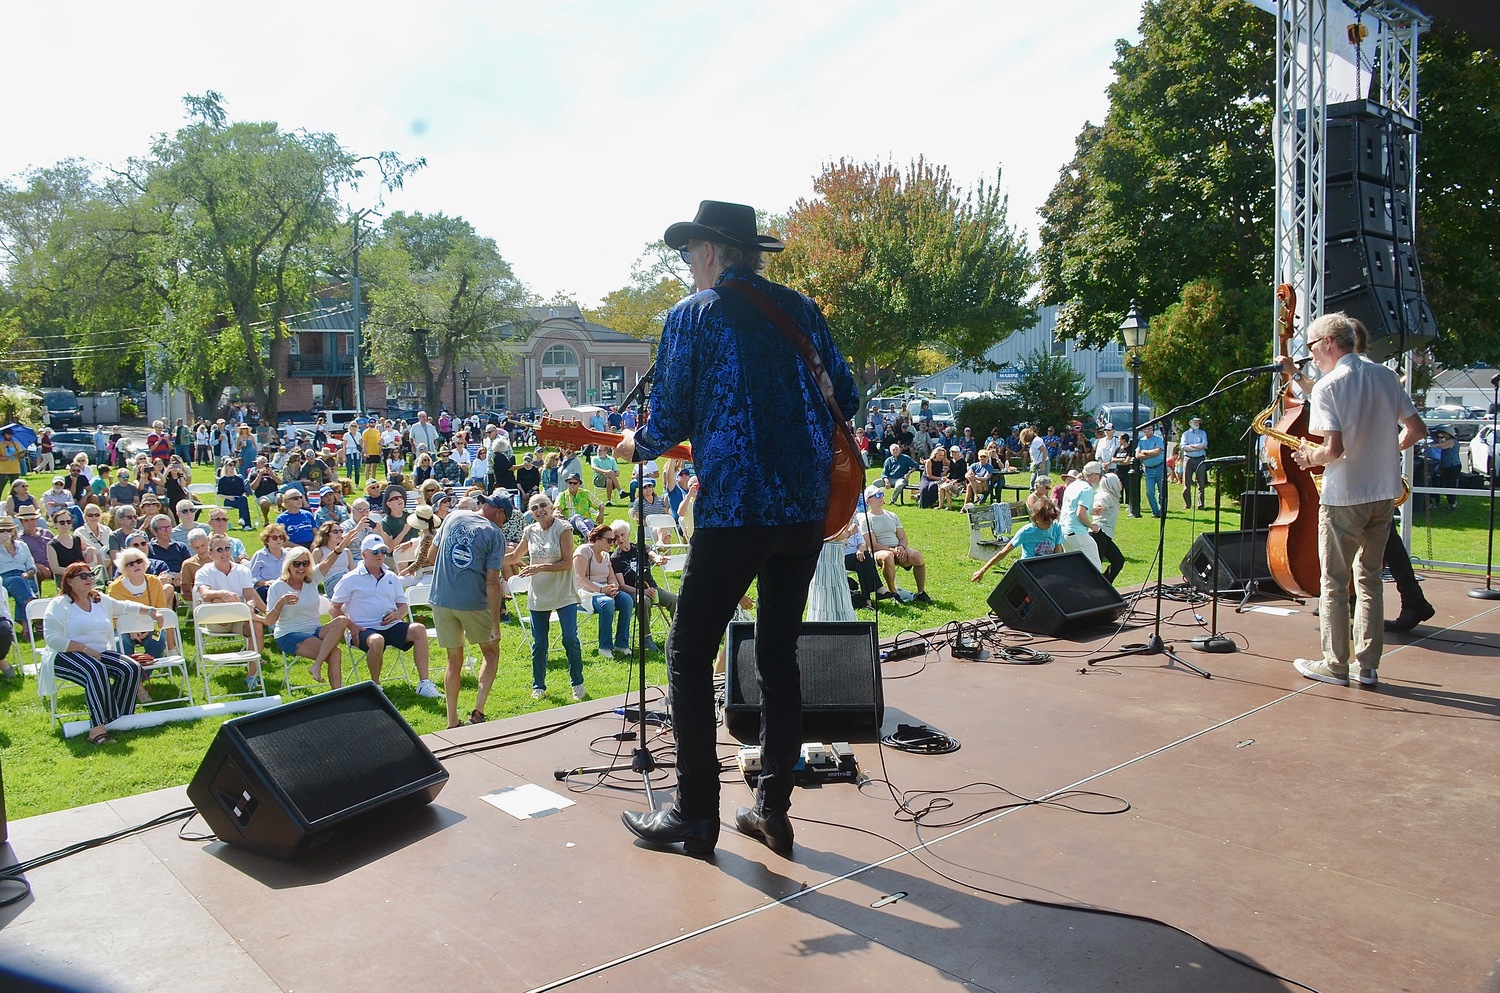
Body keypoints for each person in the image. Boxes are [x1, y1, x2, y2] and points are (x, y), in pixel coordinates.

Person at [615, 201, 858, 856]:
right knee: (778, 653)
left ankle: (696, 813)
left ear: (711, 253)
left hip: (737, 508)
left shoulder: (693, 317)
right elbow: (849, 395)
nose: (690, 266)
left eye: (691, 253)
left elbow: (664, 422)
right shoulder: (802, 311)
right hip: (806, 510)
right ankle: (771, 809)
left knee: (689, 652)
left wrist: (630, 446)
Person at [1281, 313, 1425, 687]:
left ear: (1329, 341)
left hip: (1345, 495)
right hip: (1383, 493)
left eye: (1311, 346)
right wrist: (1382, 452)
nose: (1310, 354)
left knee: (1333, 581)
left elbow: (1333, 449)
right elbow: (1416, 429)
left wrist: (1308, 457)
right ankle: (1369, 667)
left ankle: (1336, 665)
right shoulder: (1385, 375)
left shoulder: (1330, 385)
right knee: (1371, 579)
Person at [41, 563, 163, 745]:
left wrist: (152, 612)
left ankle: (118, 719)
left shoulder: (99, 599)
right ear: (70, 581)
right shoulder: (60, 604)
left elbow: (125, 606)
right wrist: (83, 648)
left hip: (98, 652)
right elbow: (51, 638)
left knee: (131, 667)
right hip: (64, 654)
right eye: (83, 576)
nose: (89, 579)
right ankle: (96, 730)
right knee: (96, 670)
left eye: (90, 575)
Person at [430, 490, 511, 728]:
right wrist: (496, 624)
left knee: (453, 660)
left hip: (441, 599)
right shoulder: (495, 534)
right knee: (491, 652)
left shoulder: (453, 516)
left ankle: (452, 720)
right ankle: (478, 710)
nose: (503, 524)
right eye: (504, 519)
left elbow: (432, 555)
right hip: (473, 603)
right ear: (499, 513)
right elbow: (492, 582)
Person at [329, 534, 440, 697]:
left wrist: (397, 614)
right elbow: (334, 608)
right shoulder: (350, 579)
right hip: (363, 629)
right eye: (375, 552)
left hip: (391, 625)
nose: (380, 555)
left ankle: (424, 683)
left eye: (383, 551)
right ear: (363, 554)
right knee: (376, 640)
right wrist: (352, 626)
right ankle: (376, 686)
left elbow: (403, 606)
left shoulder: (391, 576)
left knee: (419, 629)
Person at [508, 492, 583, 700]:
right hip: (539, 594)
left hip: (563, 591)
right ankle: (538, 685)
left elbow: (568, 562)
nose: (539, 510)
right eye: (534, 508)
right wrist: (487, 561)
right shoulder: (529, 530)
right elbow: (515, 557)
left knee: (570, 639)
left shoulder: (563, 528)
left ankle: (577, 682)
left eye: (542, 506)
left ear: (550, 507)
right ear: (530, 513)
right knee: (539, 643)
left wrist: (539, 567)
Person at [264, 545, 350, 687]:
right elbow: (268, 621)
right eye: (296, 564)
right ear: (288, 565)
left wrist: (342, 545)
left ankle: (317, 667)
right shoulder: (277, 587)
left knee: (342, 620)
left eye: (305, 563)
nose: (301, 568)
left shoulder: (311, 579)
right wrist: (280, 603)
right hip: (289, 633)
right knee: (335, 653)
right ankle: (337, 694)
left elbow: (328, 562)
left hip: (314, 629)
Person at [858, 486, 931, 602]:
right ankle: (894, 593)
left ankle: (921, 592)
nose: (881, 497)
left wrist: (901, 547)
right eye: (877, 495)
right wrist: (893, 550)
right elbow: (873, 545)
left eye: (881, 494)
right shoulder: (866, 520)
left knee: (916, 555)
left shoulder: (892, 515)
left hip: (897, 549)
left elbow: (903, 538)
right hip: (879, 552)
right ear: (868, 501)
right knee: (888, 556)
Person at [610, 519, 674, 648]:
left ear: (628, 534)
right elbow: (622, 586)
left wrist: (658, 558)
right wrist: (643, 592)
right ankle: (646, 638)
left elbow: (652, 555)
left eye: (622, 535)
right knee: (643, 601)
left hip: (651, 587)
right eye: (616, 537)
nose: (620, 539)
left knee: (674, 600)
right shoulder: (615, 558)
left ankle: (677, 634)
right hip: (632, 592)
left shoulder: (640, 547)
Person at [573, 523, 633, 660]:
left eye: (613, 540)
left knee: (627, 600)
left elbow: (611, 576)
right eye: (609, 540)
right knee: (607, 603)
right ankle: (605, 646)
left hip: (604, 591)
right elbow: (579, 578)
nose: (612, 543)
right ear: (598, 538)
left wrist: (613, 586)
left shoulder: (606, 555)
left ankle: (621, 644)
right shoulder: (583, 551)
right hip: (585, 593)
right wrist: (601, 589)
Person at [971, 493, 1063, 582]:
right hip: (1028, 570)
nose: (1050, 521)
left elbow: (1058, 554)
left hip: (1047, 570)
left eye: (1053, 516)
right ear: (1037, 518)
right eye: (1046, 518)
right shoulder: (1026, 531)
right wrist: (982, 570)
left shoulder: (1056, 527)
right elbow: (1003, 553)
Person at [107, 547, 174, 661]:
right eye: (130, 564)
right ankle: (129, 673)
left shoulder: (155, 582)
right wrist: (130, 628)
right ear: (124, 568)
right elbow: (112, 617)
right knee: (121, 644)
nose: (136, 565)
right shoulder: (115, 588)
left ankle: (143, 676)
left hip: (150, 626)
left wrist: (147, 627)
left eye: (139, 561)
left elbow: (160, 610)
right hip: (124, 629)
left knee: (159, 640)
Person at [1058, 461, 1105, 571]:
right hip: (1077, 533)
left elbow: (1072, 509)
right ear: (1093, 475)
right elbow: (1080, 514)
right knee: (1095, 569)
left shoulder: (1072, 485)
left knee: (1073, 569)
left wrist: (1092, 511)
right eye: (1100, 476)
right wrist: (1092, 526)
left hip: (1064, 532)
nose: (1100, 479)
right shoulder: (1087, 489)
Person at [0, 521, 40, 622]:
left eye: (8, 530)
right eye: (1, 531)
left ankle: (25, 624)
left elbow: (31, 565)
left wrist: (28, 574)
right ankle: (35, 611)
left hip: (24, 576)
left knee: (25, 585)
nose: (5, 533)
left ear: (13, 531)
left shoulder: (22, 545)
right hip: (4, 578)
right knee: (19, 582)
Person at [1091, 472, 1126, 582]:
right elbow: (1096, 507)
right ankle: (1096, 589)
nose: (1121, 483)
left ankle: (1105, 584)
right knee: (1097, 565)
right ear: (1112, 484)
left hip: (1105, 534)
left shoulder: (1112, 497)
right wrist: (1096, 509)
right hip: (1098, 533)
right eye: (1118, 481)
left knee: (1118, 560)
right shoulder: (1104, 496)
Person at [1135, 423, 1166, 517]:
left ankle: (1162, 511)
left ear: (1152, 428)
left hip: (1160, 468)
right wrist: (1150, 453)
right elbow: (1137, 455)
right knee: (1149, 492)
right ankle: (1155, 512)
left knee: (1162, 491)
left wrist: (1144, 452)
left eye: (1148, 428)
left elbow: (1157, 452)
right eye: (1144, 429)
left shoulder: (1158, 439)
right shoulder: (1141, 441)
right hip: (1148, 470)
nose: (1146, 430)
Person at [1180, 415, 1209, 509]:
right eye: (1195, 422)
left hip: (1200, 459)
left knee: (1201, 483)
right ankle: (1187, 504)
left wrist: (1191, 446)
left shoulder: (1203, 433)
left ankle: (1201, 505)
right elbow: (1184, 447)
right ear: (1190, 423)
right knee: (1186, 483)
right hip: (1188, 459)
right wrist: (1197, 447)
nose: (1197, 424)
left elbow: (1204, 444)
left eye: (1198, 422)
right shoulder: (1185, 434)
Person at [0, 427, 23, 493]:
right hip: (3, 470)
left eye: (11, 434)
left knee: (15, 490)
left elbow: (20, 456)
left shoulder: (16, 445)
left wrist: (21, 454)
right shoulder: (1, 445)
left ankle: (13, 502)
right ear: (4, 435)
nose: (10, 436)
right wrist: (8, 457)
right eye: (8, 434)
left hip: (15, 469)